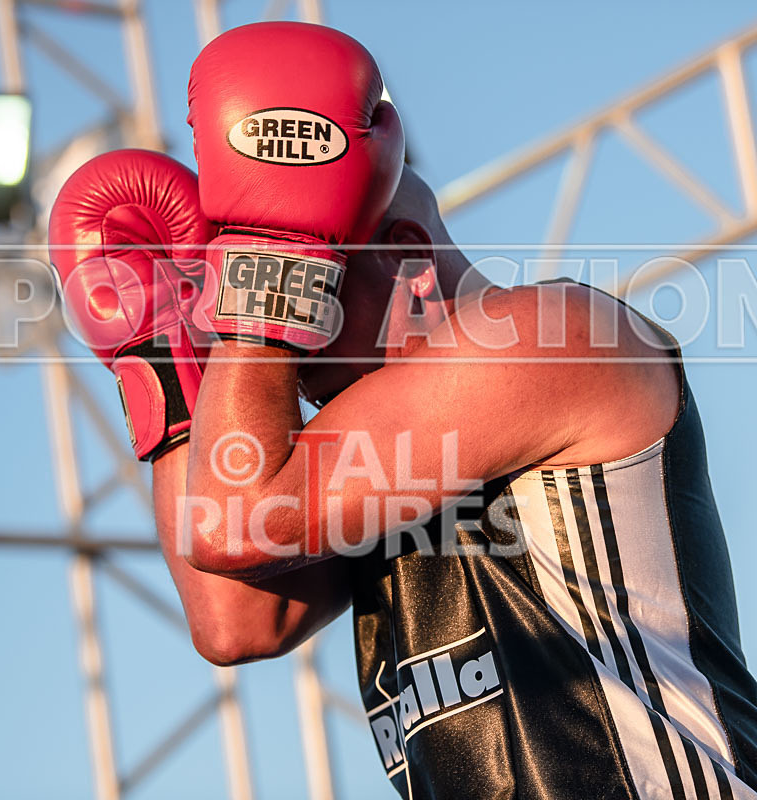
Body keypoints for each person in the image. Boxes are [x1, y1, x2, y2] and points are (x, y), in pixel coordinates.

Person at [49, 20, 757, 800]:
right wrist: (166, 351)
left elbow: (231, 519)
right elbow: (232, 621)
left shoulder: (550, 338)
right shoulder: (355, 455)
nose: (280, 350)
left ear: (409, 262)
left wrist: (274, 267)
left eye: (313, 285)